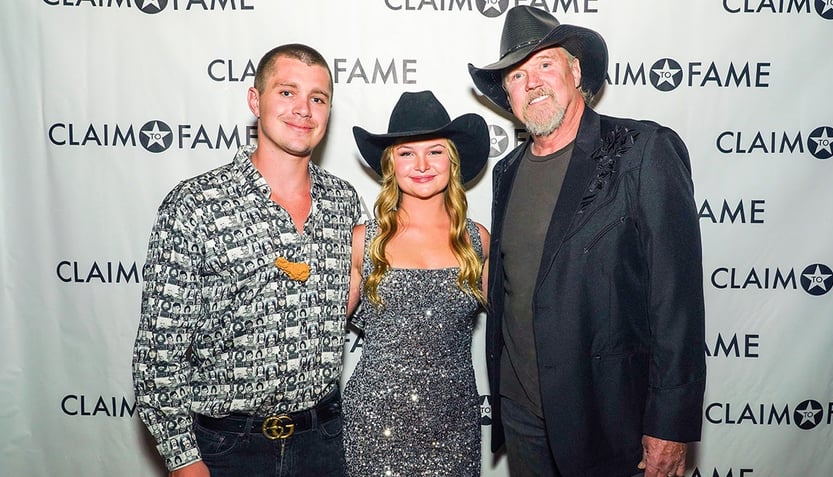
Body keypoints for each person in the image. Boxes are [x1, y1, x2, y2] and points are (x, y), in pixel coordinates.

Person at [467, 7, 706, 477]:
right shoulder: (506, 172)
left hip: (611, 418)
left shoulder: (643, 150)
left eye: (544, 65)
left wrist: (670, 425)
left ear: (576, 71)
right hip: (522, 413)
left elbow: (676, 299)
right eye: (516, 75)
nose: (531, 81)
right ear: (508, 95)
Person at [132, 43, 361, 477]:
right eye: (287, 92)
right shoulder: (196, 204)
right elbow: (158, 353)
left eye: (318, 98)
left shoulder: (344, 202)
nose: (304, 110)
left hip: (324, 443)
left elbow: (361, 307)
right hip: (226, 448)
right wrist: (184, 461)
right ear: (255, 100)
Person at [343, 90, 490, 476]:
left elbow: (522, 326)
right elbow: (318, 331)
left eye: (435, 151)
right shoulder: (364, 239)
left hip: (455, 424)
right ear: (391, 163)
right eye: (407, 152)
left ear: (452, 161)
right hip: (374, 426)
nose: (422, 164)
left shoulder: (477, 240)